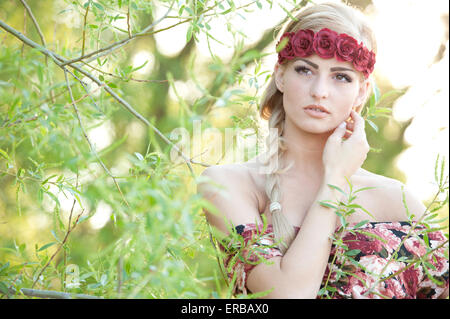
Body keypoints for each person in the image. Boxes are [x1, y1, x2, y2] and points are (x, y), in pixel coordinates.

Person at [197, 2, 449, 299]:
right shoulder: (228, 185)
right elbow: (290, 295)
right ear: (280, 76)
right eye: (305, 70)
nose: (320, 91)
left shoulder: (398, 202)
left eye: (341, 76)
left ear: (362, 92)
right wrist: (335, 181)